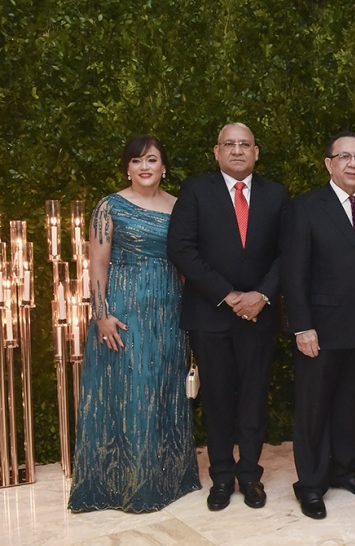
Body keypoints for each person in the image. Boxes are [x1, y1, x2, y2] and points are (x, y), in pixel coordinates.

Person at [68, 135, 201, 513]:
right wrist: (101, 315)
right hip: (124, 313)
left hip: (169, 312)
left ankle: (167, 479)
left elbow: (188, 261)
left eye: (152, 160)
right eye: (137, 160)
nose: (145, 167)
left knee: (163, 389)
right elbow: (98, 263)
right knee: (131, 392)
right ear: (127, 168)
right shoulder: (108, 207)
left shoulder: (179, 206)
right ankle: (126, 485)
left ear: (164, 167)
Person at [167, 123, 288, 512]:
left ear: (256, 152)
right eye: (229, 144)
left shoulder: (276, 194)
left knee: (254, 397)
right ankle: (221, 476)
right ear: (216, 152)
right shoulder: (195, 190)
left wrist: (262, 295)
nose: (237, 150)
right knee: (216, 399)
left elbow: (287, 253)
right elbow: (182, 249)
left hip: (259, 315)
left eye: (244, 144)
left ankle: (250, 475)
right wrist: (229, 295)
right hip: (210, 314)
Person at [283, 131, 355, 520]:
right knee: (313, 407)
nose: (352, 164)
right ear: (329, 164)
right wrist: (302, 326)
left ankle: (344, 469)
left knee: (349, 402)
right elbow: (293, 272)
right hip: (319, 328)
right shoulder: (306, 207)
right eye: (344, 156)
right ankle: (310, 484)